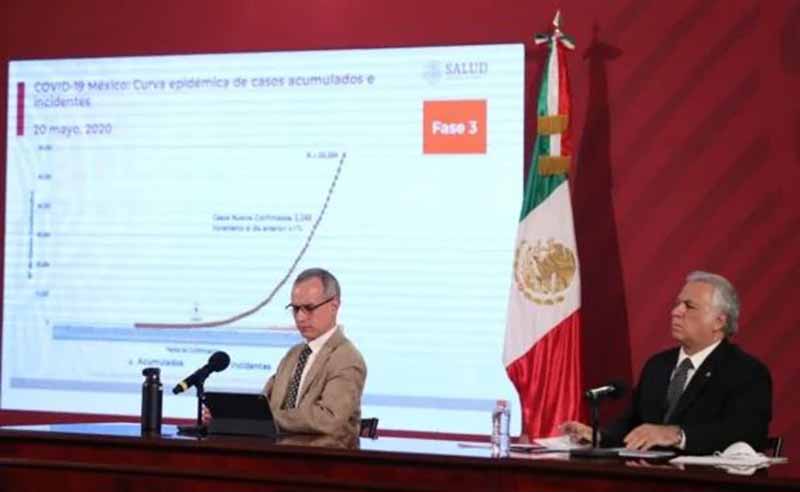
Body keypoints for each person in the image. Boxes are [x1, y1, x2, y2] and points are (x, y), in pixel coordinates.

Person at [562, 271, 772, 454]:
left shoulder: (747, 373)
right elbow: (632, 424)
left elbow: (746, 433)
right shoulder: (658, 365)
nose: (676, 312)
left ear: (718, 322)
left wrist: (677, 435)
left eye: (689, 306)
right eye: (677, 304)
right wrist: (599, 436)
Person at [262, 268, 367, 436]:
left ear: (334, 306)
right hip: (279, 448)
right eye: (295, 309)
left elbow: (327, 418)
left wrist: (270, 419)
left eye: (309, 308)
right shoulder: (294, 354)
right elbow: (264, 402)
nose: (300, 317)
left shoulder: (347, 358)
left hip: (325, 451)